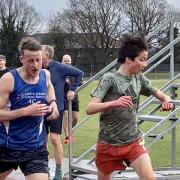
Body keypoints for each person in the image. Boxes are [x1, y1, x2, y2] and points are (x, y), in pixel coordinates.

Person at [86, 34, 174, 180]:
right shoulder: (109, 78)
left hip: (134, 142)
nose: (145, 65)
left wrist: (167, 101)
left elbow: (163, 95)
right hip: (108, 144)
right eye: (142, 60)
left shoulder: (139, 78)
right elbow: (90, 108)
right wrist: (115, 102)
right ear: (128, 60)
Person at [0, 37, 59, 180]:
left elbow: (49, 86)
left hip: (35, 147)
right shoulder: (9, 79)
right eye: (31, 60)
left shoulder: (45, 75)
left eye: (39, 60)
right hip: (8, 146)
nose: (36, 65)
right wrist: (25, 111)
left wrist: (53, 102)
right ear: (21, 59)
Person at [42, 45, 84, 180]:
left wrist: (72, 89)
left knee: (55, 139)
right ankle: (45, 167)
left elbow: (79, 73)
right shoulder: (37, 67)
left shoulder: (59, 67)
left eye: (40, 52)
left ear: (47, 54)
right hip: (40, 109)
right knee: (42, 141)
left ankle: (59, 170)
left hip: (57, 108)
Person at [62, 54, 82, 144]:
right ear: (62, 62)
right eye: (65, 60)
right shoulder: (60, 72)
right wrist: (64, 81)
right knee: (65, 116)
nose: (67, 62)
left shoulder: (75, 71)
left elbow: (80, 82)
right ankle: (67, 136)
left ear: (71, 62)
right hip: (64, 97)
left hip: (74, 97)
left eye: (68, 61)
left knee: (75, 118)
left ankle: (71, 131)